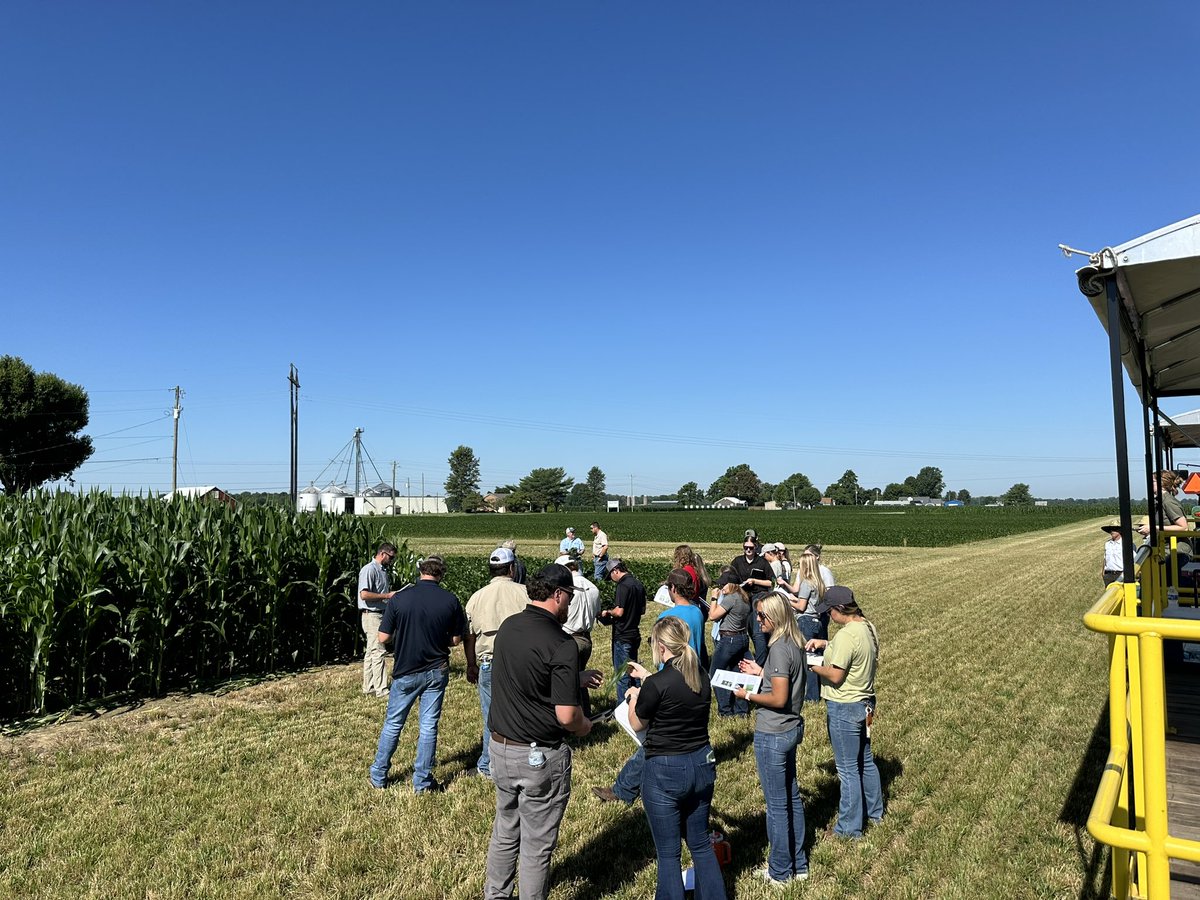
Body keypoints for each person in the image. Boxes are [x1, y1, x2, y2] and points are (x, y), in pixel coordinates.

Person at [484, 564, 601, 900]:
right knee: (536, 845)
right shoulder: (562, 644)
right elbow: (567, 716)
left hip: (500, 748)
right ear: (558, 594)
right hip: (539, 757)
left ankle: (496, 895)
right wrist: (585, 725)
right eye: (569, 598)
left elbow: (528, 675)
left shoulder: (509, 627)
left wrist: (573, 679)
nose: (570, 605)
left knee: (505, 831)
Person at [625, 617, 727, 900]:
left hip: (665, 770)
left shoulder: (656, 684)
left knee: (669, 853)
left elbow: (636, 722)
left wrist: (634, 697)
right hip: (702, 763)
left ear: (660, 646)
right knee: (700, 843)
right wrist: (648, 680)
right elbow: (672, 690)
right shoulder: (700, 675)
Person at [593, 572, 706, 807]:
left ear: (673, 589)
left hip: (668, 684)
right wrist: (646, 676)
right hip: (691, 677)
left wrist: (638, 692)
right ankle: (625, 787)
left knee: (654, 742)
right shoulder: (697, 612)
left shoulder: (667, 617)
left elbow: (637, 723)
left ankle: (623, 789)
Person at [369, 555, 466, 793]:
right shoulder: (450, 600)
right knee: (428, 726)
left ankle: (379, 775)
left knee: (393, 723)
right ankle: (422, 781)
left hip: (406, 669)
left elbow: (383, 637)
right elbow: (455, 640)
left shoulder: (400, 599)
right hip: (436, 669)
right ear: (441, 574)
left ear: (420, 571)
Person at [734, 593, 809, 884]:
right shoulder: (795, 641)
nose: (758, 620)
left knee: (777, 806)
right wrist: (761, 672)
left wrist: (747, 695)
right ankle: (799, 864)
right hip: (790, 728)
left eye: (762, 615)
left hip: (773, 733)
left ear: (775, 616)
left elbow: (778, 698)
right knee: (792, 797)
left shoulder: (777, 648)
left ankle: (780, 871)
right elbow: (784, 679)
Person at [806, 586, 884, 839]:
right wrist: (826, 644)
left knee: (848, 769)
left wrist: (811, 665)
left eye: (829, 611)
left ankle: (849, 828)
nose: (828, 616)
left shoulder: (846, 636)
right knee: (865, 760)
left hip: (844, 706)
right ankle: (875, 813)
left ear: (839, 609)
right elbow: (853, 650)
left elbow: (836, 675)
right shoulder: (867, 627)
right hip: (865, 703)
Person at [465, 547, 531, 780]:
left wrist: (470, 664)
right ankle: (524, 760)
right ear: (512, 568)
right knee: (523, 711)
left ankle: (488, 764)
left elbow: (469, 635)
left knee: (490, 716)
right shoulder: (525, 593)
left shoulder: (477, 597)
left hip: (488, 662)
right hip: (521, 662)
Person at [780, 551, 828, 703]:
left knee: (808, 660)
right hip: (817, 621)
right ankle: (818, 690)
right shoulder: (819, 583)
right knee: (817, 658)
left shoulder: (807, 583)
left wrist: (786, 600)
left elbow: (801, 607)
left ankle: (811, 695)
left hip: (806, 621)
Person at [598, 558, 646, 703]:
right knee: (635, 672)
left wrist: (608, 612)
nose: (612, 579)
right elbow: (642, 610)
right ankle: (638, 703)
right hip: (634, 633)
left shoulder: (623, 585)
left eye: (610, 576)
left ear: (616, 570)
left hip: (622, 635)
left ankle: (622, 708)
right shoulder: (638, 584)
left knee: (622, 675)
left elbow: (619, 612)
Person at [358, 542, 400, 697]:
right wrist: (387, 595)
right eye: (391, 557)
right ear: (383, 554)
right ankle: (381, 689)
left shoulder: (382, 570)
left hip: (379, 613)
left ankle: (369, 687)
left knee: (371, 652)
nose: (392, 561)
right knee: (379, 651)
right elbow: (364, 594)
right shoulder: (369, 569)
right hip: (372, 614)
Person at [708, 571, 751, 717]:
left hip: (729, 640)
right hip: (742, 638)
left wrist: (714, 598)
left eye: (723, 584)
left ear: (731, 585)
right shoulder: (744, 597)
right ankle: (741, 709)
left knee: (716, 673)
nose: (721, 587)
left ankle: (725, 710)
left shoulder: (731, 598)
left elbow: (712, 616)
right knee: (738, 673)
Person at [730, 537, 776, 665]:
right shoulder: (737, 561)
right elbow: (731, 577)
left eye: (751, 547)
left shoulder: (762, 562)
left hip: (758, 596)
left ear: (755, 547)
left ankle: (761, 664)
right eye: (746, 547)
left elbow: (772, 582)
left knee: (758, 632)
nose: (748, 550)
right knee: (745, 629)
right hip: (743, 596)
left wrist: (755, 581)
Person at [556, 555, 601, 669]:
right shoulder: (593, 588)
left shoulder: (566, 589)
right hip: (586, 640)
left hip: (568, 638)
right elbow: (597, 613)